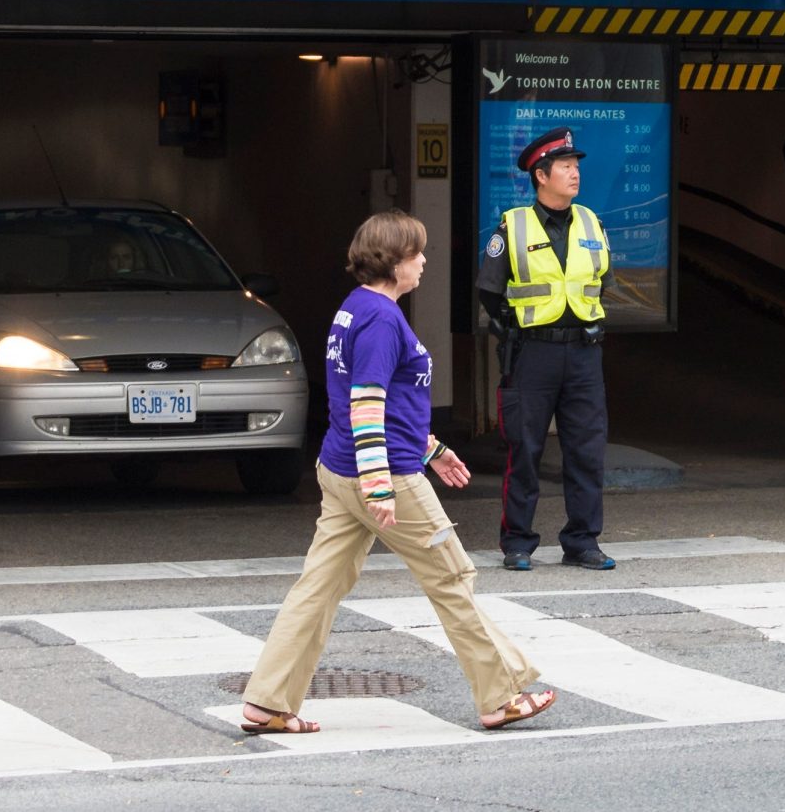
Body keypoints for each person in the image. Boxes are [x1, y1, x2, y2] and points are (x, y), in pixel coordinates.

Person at [239, 211, 555, 736]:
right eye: (417, 253)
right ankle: (502, 696)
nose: (424, 261)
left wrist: (432, 448)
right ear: (394, 261)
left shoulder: (355, 309)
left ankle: (268, 700)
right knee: (452, 579)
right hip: (384, 475)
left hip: (341, 469)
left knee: (317, 588)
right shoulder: (384, 320)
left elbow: (383, 403)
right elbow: (367, 403)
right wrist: (380, 483)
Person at [477, 126, 615, 572]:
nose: (576, 174)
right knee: (525, 450)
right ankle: (518, 542)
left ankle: (582, 541)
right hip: (532, 354)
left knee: (586, 450)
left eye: (577, 166)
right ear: (542, 174)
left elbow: (602, 284)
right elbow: (489, 293)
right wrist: (514, 333)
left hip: (583, 355)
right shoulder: (512, 227)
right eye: (566, 167)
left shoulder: (592, 222)